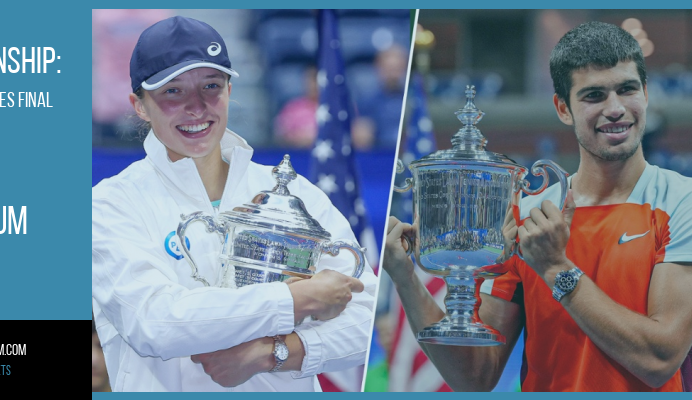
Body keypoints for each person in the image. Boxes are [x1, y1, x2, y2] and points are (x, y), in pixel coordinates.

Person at [383, 21, 692, 392]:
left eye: (627, 90)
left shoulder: (681, 201)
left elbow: (659, 359)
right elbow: (475, 377)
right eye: (593, 96)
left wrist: (556, 268)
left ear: (645, 92)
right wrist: (405, 278)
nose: (615, 109)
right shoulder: (527, 213)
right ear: (563, 108)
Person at [92, 16, 377, 392]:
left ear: (229, 90)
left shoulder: (297, 192)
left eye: (211, 86)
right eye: (173, 91)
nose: (196, 107)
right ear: (139, 105)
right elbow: (157, 323)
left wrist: (274, 353)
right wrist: (295, 299)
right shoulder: (110, 203)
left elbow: (367, 316)